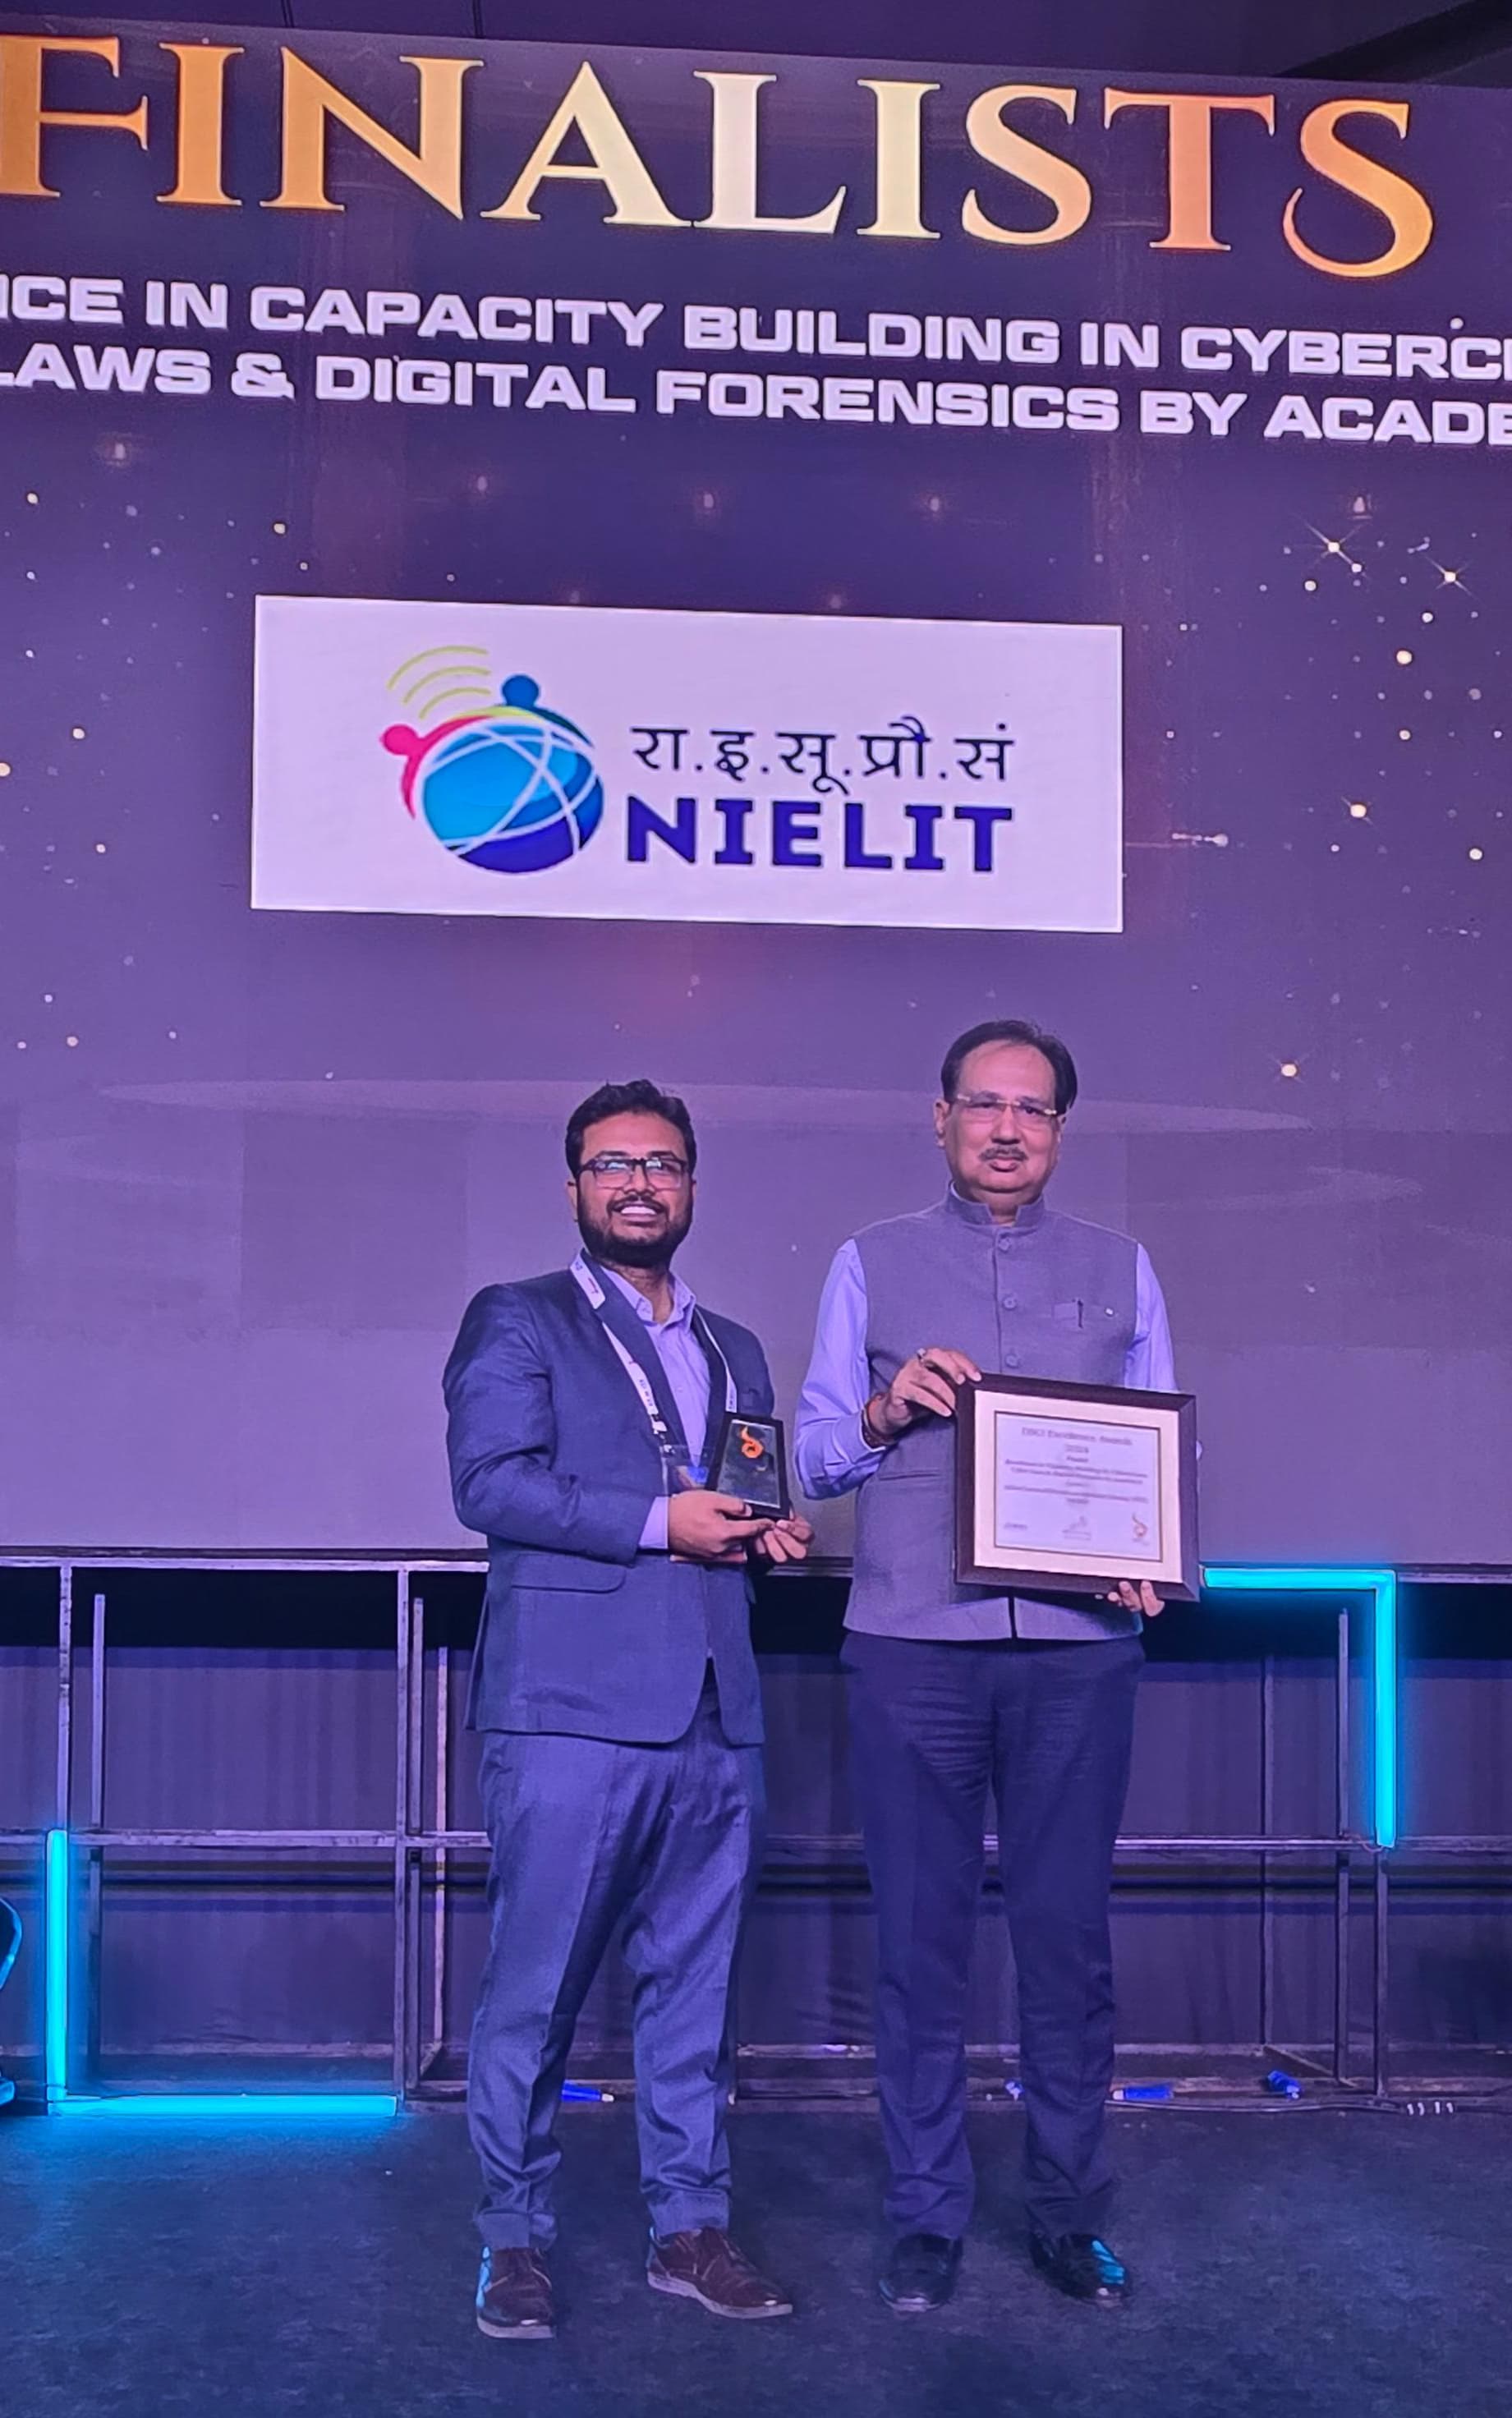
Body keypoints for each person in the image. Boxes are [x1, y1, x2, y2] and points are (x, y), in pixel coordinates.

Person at [795, 1019, 1175, 2316]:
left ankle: (1069, 2214)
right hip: (913, 1644)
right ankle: (924, 2216)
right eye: (982, 1104)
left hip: (1078, 1656)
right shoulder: (869, 1260)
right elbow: (814, 1457)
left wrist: (1154, 1558)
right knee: (919, 1945)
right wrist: (884, 1407)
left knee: (1066, 1947)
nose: (1006, 1129)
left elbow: (1159, 1456)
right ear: (940, 1118)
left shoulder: (1122, 1267)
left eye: (1032, 1109)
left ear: (1059, 1129)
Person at [445, 1078, 811, 2342]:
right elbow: (489, 1485)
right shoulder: (519, 1317)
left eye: (661, 1164)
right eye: (612, 1165)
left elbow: (738, 1493)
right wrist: (663, 1523)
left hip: (716, 1710)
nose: (639, 1184)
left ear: (691, 1186)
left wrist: (765, 1531)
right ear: (575, 1189)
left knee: (693, 1997)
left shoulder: (734, 1346)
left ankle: (687, 2229)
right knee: (533, 1994)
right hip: (565, 1712)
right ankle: (511, 2241)